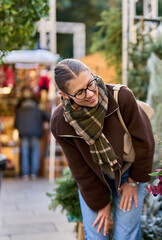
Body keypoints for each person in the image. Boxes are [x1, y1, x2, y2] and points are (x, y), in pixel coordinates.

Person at [50, 59, 154, 240]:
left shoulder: (121, 97)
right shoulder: (60, 123)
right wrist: (100, 202)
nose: (90, 93)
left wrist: (133, 181)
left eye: (91, 83)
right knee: (97, 236)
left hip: (130, 172)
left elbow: (145, 142)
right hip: (94, 179)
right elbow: (79, 169)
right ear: (64, 94)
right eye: (80, 92)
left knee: (126, 237)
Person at [14, 98, 50, 180]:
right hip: (35, 133)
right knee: (35, 152)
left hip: (23, 133)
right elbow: (49, 117)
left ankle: (25, 173)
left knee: (24, 152)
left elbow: (15, 124)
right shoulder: (38, 110)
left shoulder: (20, 111)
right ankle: (34, 173)